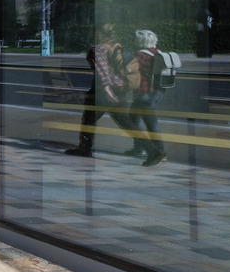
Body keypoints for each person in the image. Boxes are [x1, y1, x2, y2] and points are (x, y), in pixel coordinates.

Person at [64, 23, 135, 157]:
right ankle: (151, 148)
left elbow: (103, 72)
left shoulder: (98, 49)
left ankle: (85, 148)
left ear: (99, 33)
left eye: (92, 31)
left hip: (103, 92)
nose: (90, 33)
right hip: (121, 89)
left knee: (89, 119)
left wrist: (107, 89)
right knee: (126, 121)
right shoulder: (118, 46)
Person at [126, 29, 168, 167]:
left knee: (149, 123)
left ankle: (159, 152)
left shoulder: (140, 55)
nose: (134, 41)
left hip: (144, 94)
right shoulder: (159, 53)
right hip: (157, 93)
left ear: (140, 41)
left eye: (136, 39)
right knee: (134, 118)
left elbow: (129, 72)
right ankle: (139, 148)